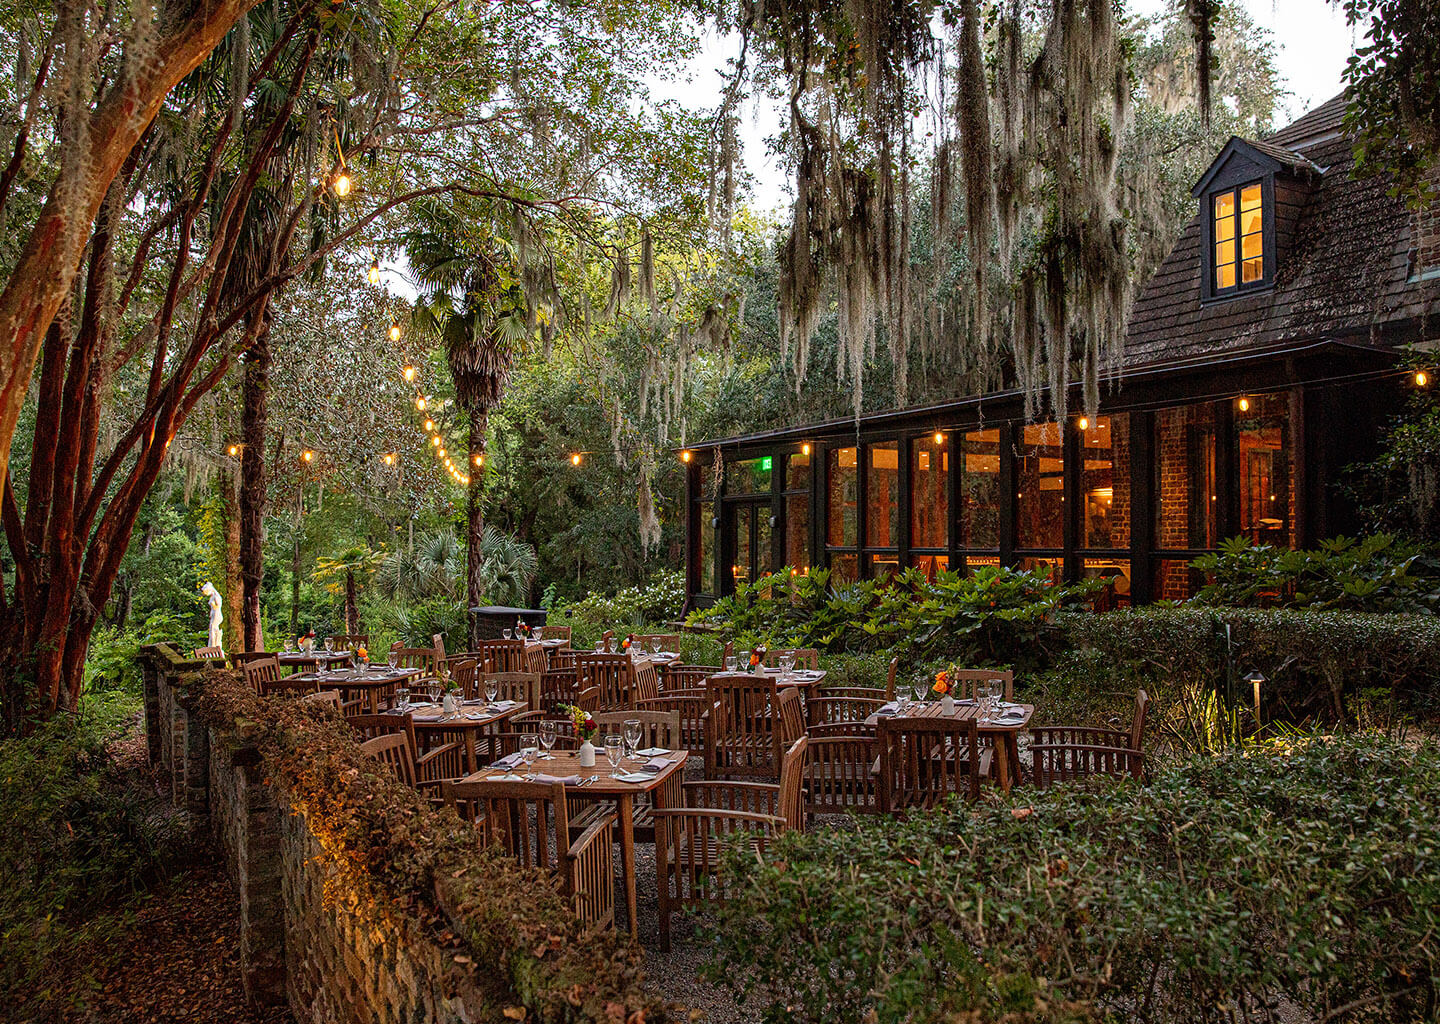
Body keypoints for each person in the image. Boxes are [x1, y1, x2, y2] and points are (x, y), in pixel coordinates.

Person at [200, 581, 224, 649]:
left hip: (217, 614)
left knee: (213, 628)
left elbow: (217, 607)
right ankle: (211, 645)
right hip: (213, 614)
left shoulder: (216, 596)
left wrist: (213, 605)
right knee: (212, 628)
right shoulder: (212, 596)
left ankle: (214, 645)